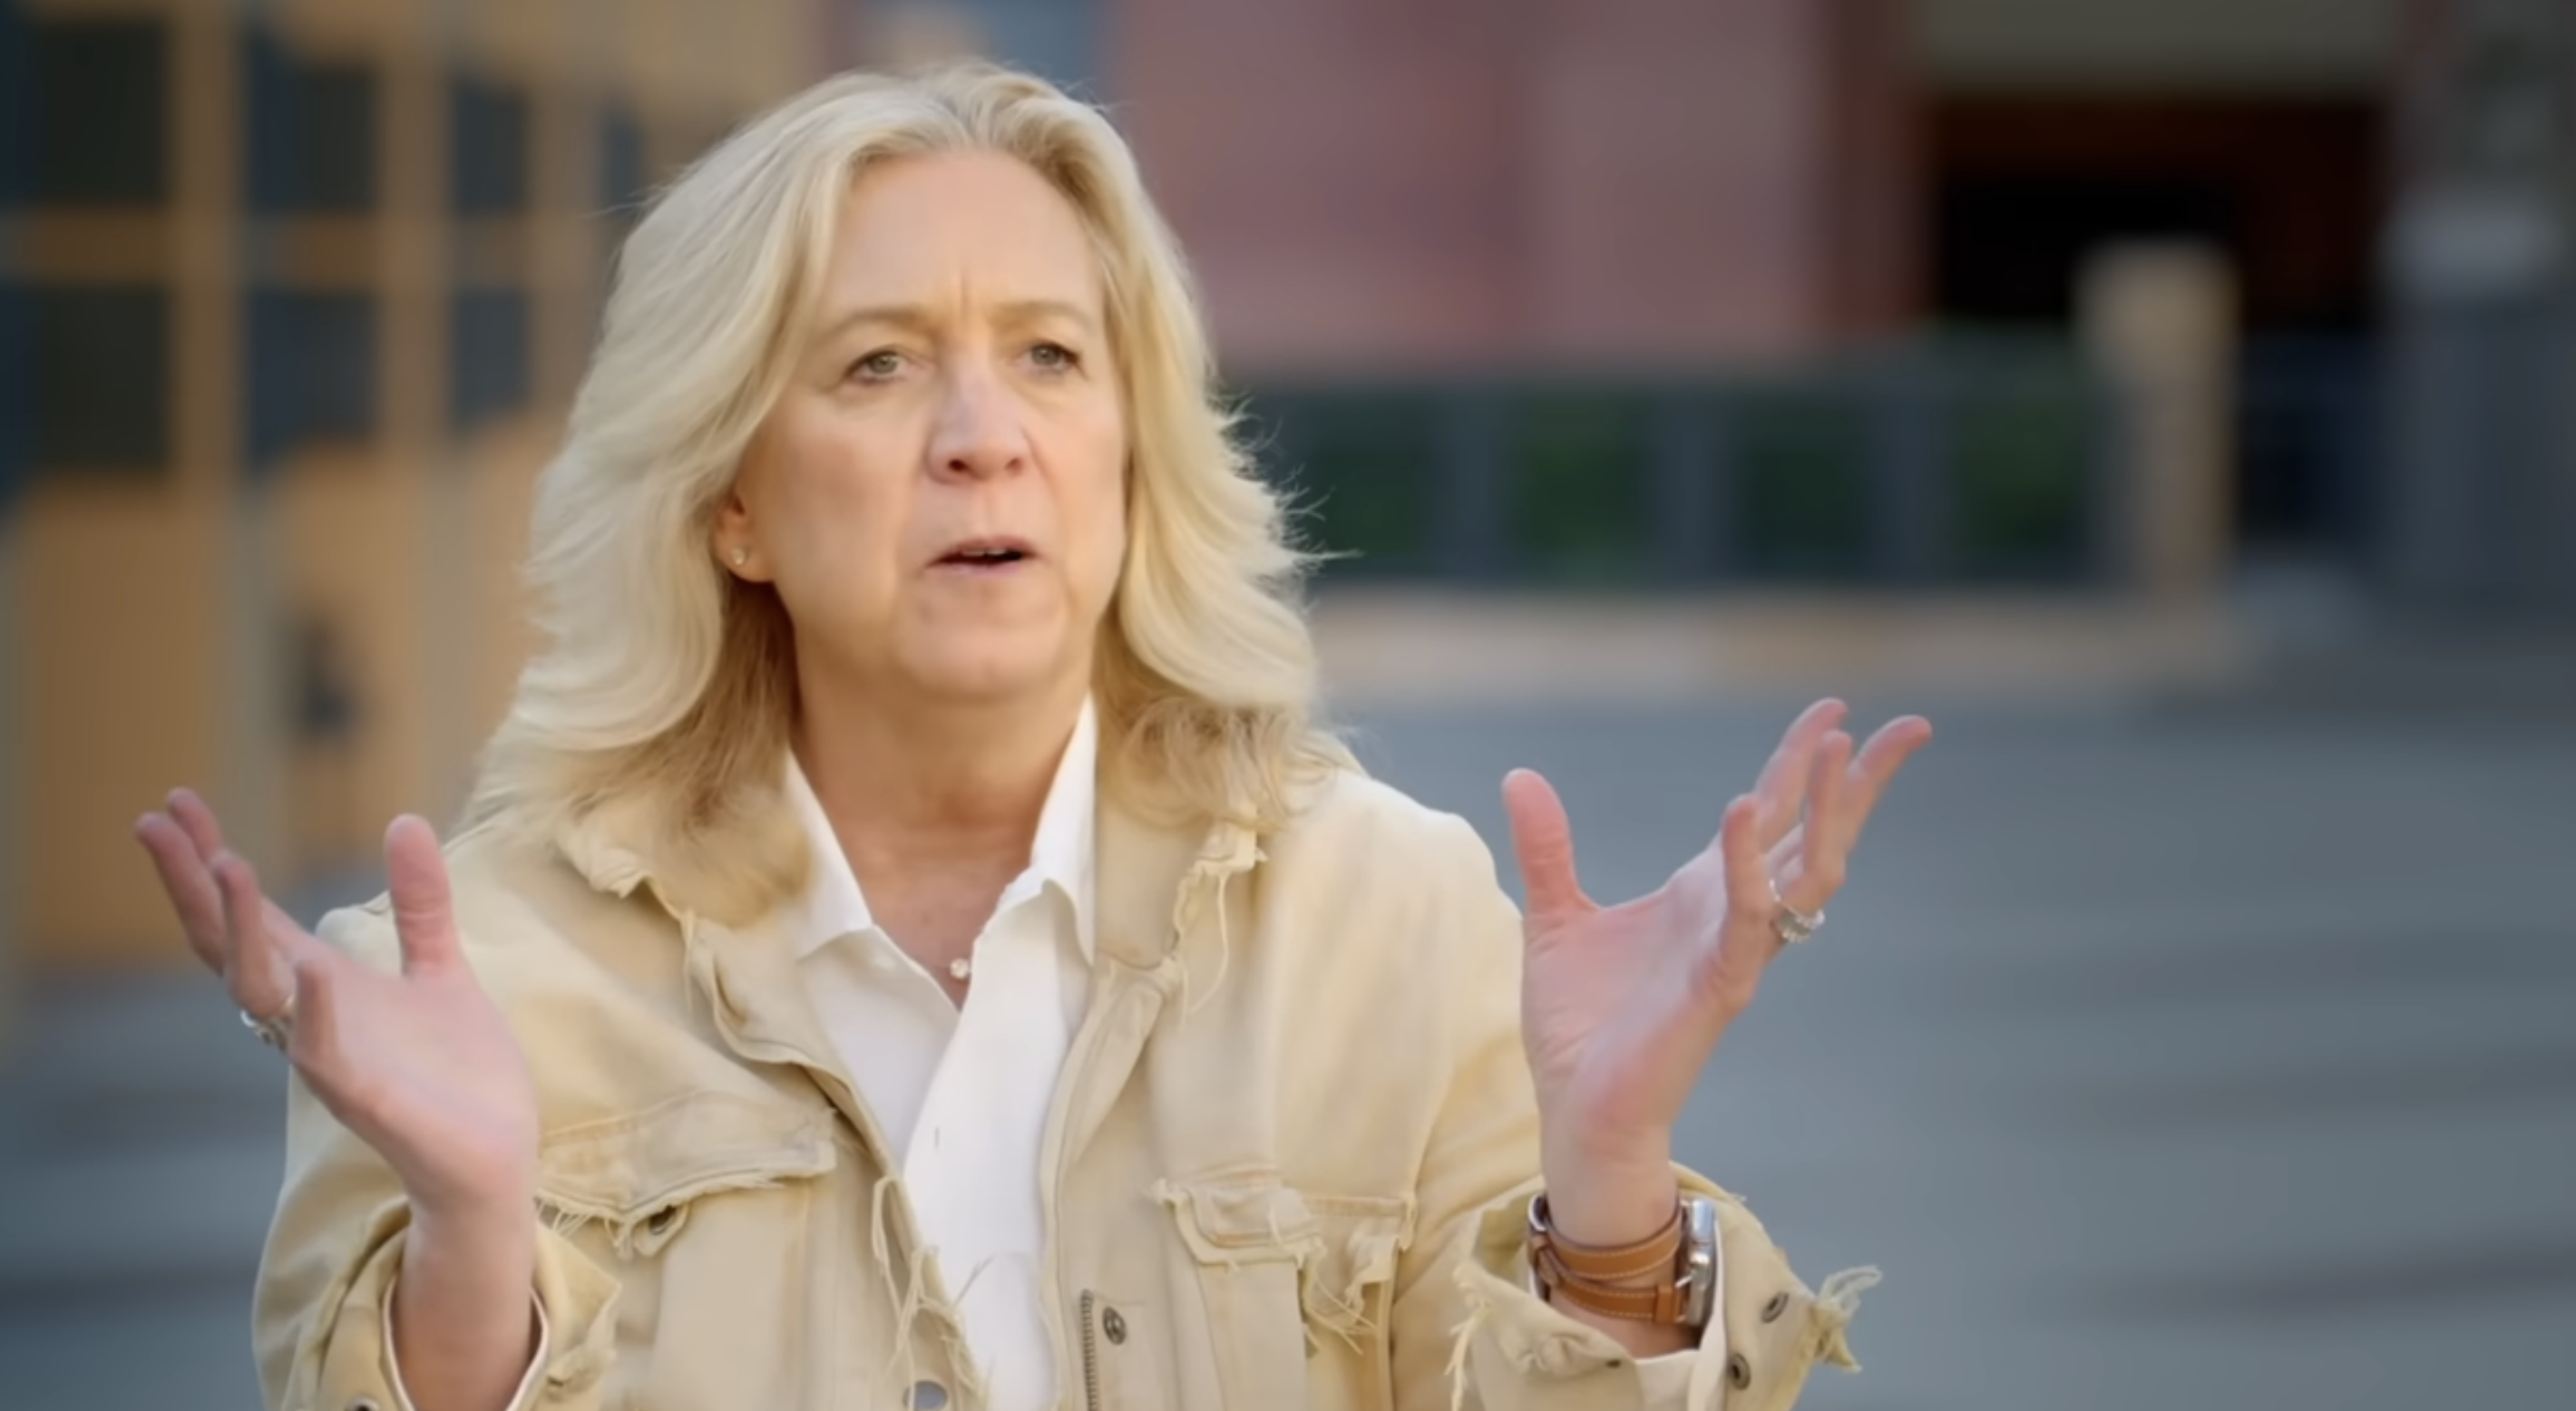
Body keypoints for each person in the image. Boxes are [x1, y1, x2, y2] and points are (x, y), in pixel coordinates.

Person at [134, 63, 1930, 1411]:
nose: (983, 434)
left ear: (1130, 456)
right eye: (877, 364)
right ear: (731, 502)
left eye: (1051, 357)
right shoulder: (485, 983)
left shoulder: (1389, 915)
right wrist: (470, 1243)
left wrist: (1606, 1194)